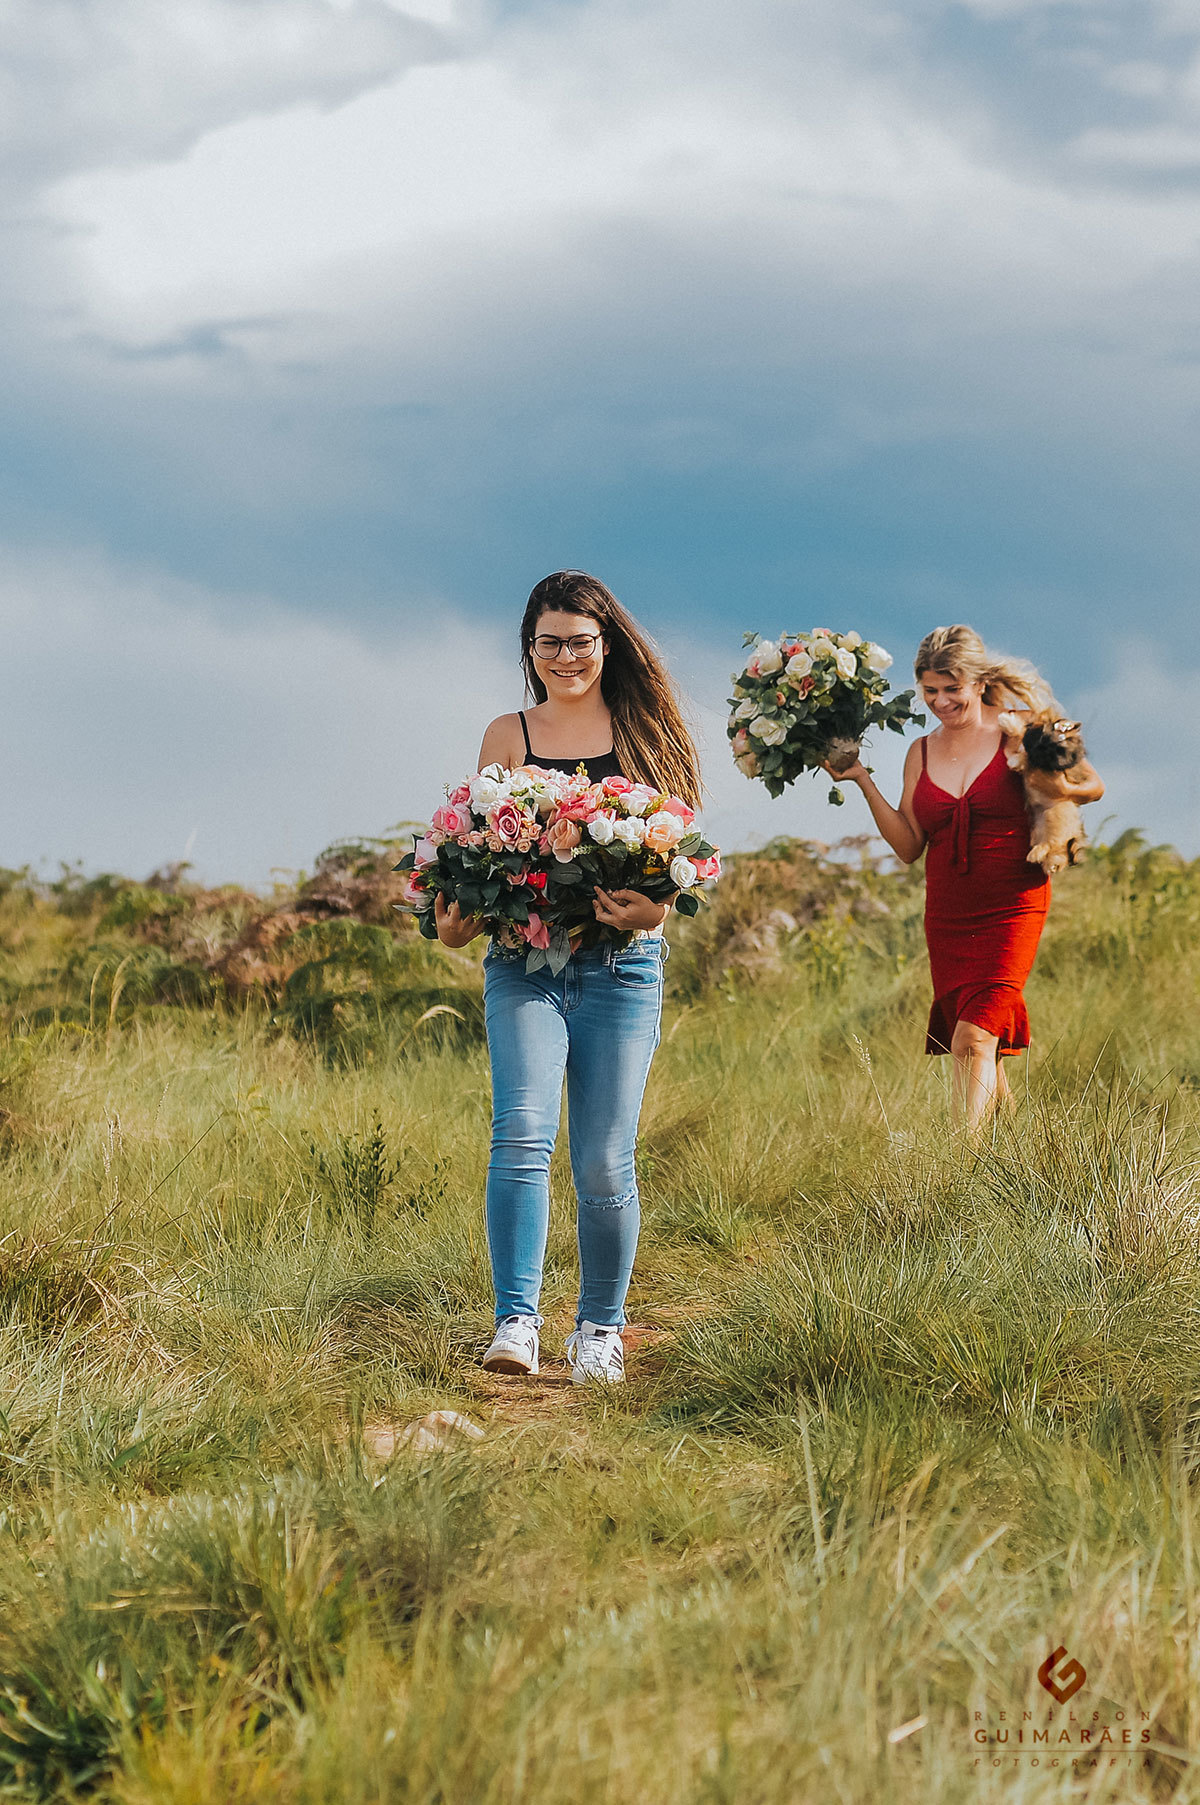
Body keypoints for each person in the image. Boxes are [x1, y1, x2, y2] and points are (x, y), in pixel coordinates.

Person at [435, 570, 702, 1382]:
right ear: (530, 647)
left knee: (603, 1160)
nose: (564, 657)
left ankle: (599, 1330)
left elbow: (680, 862)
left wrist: (652, 914)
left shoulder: (647, 730)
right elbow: (478, 851)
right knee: (521, 1132)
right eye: (547, 642)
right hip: (523, 966)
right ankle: (516, 1321)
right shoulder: (507, 733)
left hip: (622, 970)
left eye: (579, 642)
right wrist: (456, 913)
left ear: (605, 643)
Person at [826, 625, 1103, 1130]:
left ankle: (961, 1172)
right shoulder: (920, 753)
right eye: (930, 691)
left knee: (971, 1041)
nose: (940, 701)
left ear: (977, 682)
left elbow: (1093, 786)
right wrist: (862, 779)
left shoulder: (1021, 729)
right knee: (984, 1049)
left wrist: (1054, 786)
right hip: (950, 914)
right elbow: (910, 845)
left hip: (1013, 902)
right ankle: (1017, 1158)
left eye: (951, 689)